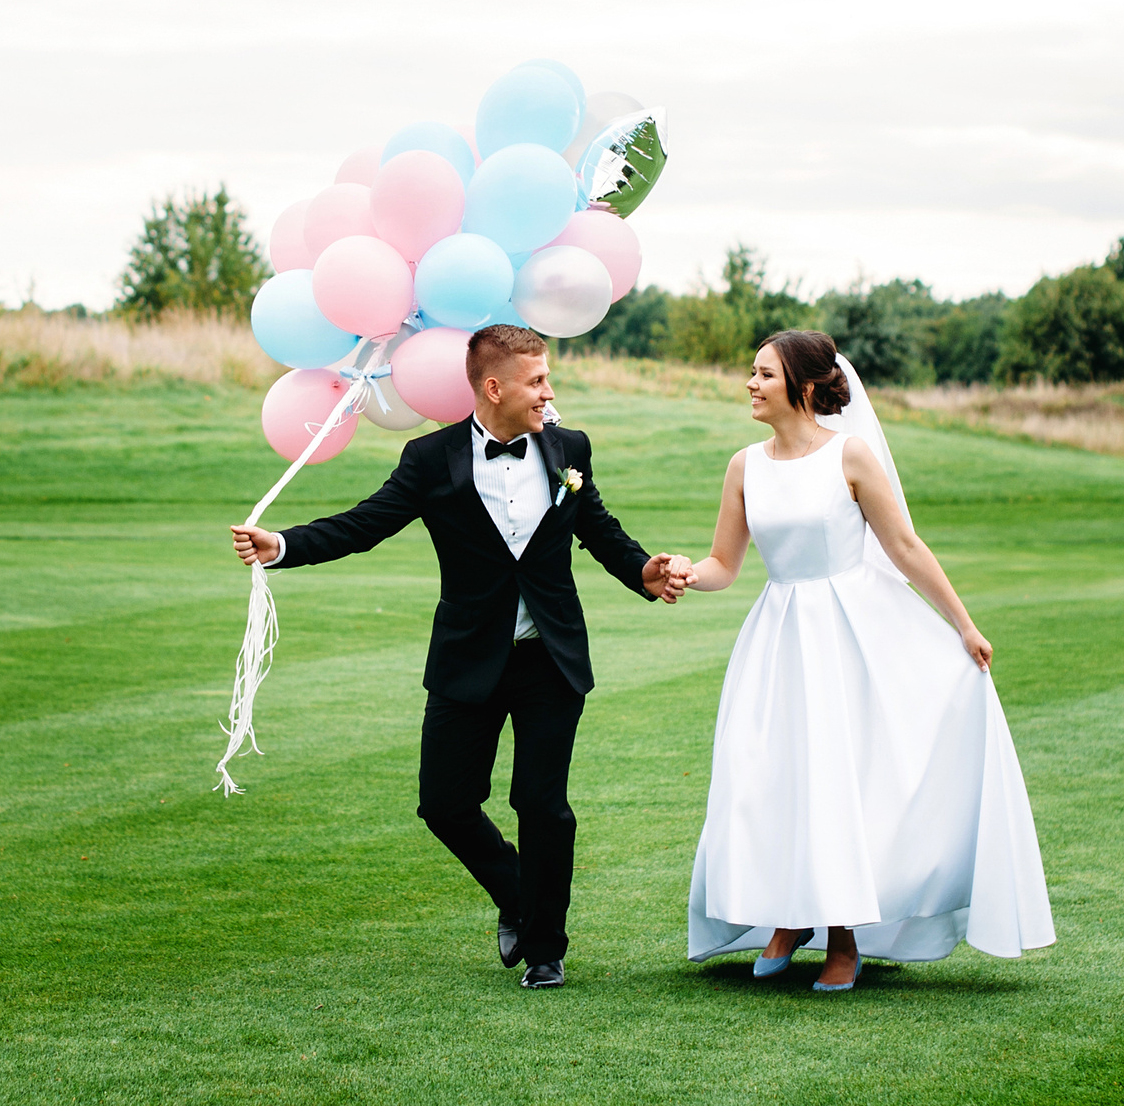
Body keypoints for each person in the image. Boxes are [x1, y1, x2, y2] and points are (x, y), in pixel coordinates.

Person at [231, 323, 693, 990]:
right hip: (466, 658)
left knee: (542, 804)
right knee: (444, 804)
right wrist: (284, 546)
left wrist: (642, 572)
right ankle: (518, 896)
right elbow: (367, 522)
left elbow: (599, 526)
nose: (549, 391)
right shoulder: (430, 459)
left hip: (549, 657)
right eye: (537, 380)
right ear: (494, 386)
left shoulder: (569, 447)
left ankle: (545, 949)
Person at [681, 329, 1054, 991]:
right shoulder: (744, 465)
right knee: (768, 774)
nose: (750, 384)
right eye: (752, 372)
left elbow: (905, 547)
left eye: (763, 374)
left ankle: (843, 940)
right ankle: (788, 917)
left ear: (801, 386)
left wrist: (964, 626)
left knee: (837, 779)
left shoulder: (849, 457)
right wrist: (683, 572)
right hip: (777, 637)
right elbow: (724, 564)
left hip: (851, 636)